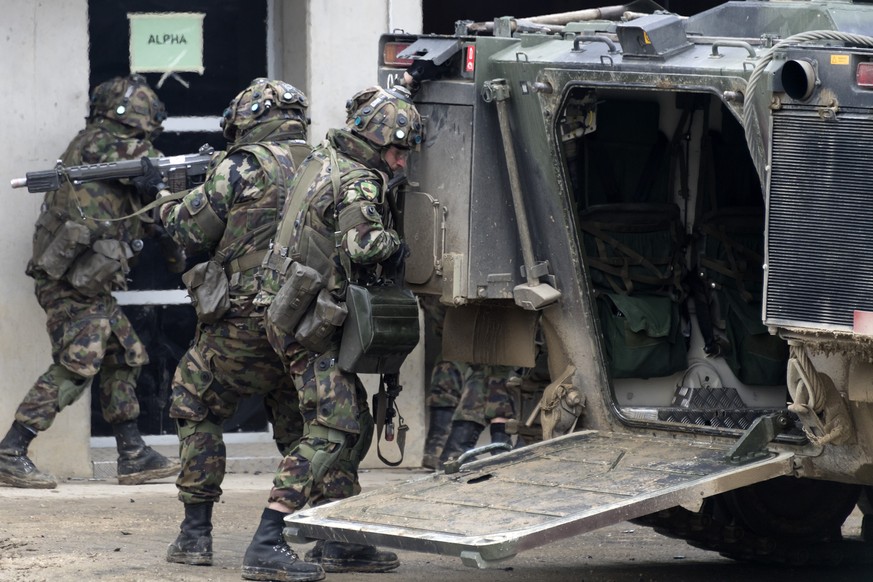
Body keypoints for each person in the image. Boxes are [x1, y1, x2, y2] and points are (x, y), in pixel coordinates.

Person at [134, 78, 319, 579]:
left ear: (247, 120)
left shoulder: (239, 166)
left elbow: (191, 230)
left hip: (243, 322)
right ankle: (330, 532)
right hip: (309, 322)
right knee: (308, 422)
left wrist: (172, 198)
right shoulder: (324, 164)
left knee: (195, 400)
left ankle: (195, 535)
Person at [246, 84, 423, 580]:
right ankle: (267, 538)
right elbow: (364, 243)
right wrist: (397, 242)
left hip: (293, 313)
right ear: (371, 141)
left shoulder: (321, 160)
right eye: (396, 150)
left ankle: (337, 537)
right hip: (310, 323)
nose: (401, 162)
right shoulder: (361, 179)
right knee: (331, 428)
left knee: (355, 425)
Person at [0, 74, 180, 489]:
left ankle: (133, 454)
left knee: (125, 354)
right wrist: (158, 179)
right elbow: (156, 202)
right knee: (76, 365)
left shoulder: (117, 157)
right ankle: (11, 450)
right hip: (71, 284)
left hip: (88, 285)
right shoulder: (103, 144)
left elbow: (153, 219)